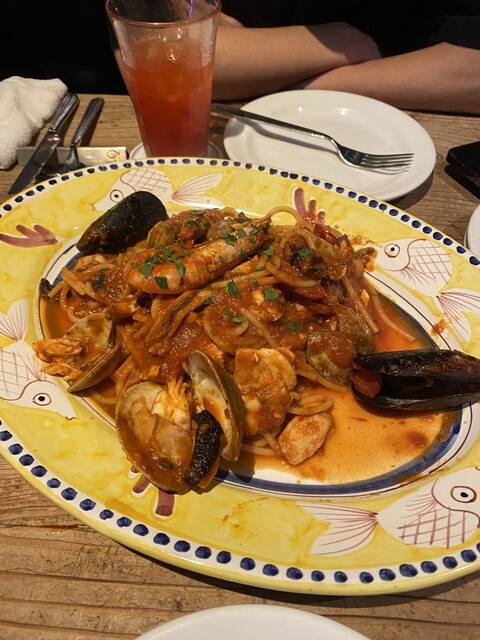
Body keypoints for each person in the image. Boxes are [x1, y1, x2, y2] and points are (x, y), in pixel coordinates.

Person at [213, 1, 480, 115]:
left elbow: (471, 67)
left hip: (388, 134)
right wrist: (347, 41)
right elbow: (195, 49)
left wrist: (263, 73)